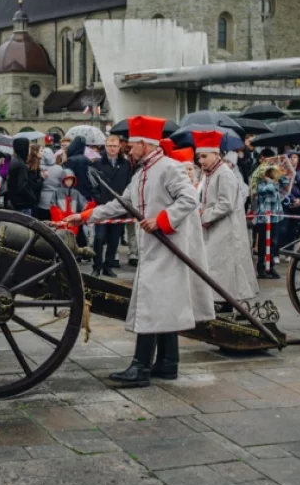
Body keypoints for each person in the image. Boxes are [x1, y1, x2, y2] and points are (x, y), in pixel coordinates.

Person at [66, 116, 215, 387]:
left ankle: (141, 367)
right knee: (163, 304)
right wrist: (85, 216)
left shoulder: (169, 168)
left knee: (150, 303)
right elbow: (122, 204)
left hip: (169, 246)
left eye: (132, 144)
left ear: (145, 144)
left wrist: (161, 220)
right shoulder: (142, 173)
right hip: (156, 247)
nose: (128, 149)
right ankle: (168, 363)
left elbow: (189, 199)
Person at [196, 131, 258, 310]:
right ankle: (218, 301)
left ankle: (225, 304)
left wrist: (204, 216)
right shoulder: (210, 173)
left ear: (216, 154)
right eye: (199, 157)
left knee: (223, 268)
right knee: (215, 266)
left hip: (226, 230)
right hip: (216, 228)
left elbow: (226, 204)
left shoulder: (224, 174)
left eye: (204, 157)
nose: (201, 161)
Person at [91, 135, 132, 274]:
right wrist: (98, 197)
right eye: (109, 146)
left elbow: (128, 184)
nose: (112, 148)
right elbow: (92, 183)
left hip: (119, 207)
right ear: (105, 146)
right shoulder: (97, 163)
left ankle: (108, 266)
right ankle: (96, 266)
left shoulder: (125, 165)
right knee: (99, 238)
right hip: (102, 205)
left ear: (119, 147)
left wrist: (125, 202)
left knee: (114, 240)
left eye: (114, 146)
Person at [50, 168, 96, 262]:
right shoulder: (56, 192)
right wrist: (60, 219)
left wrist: (91, 204)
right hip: (60, 222)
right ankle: (60, 256)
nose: (69, 182)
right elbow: (53, 206)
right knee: (60, 239)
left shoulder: (76, 193)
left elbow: (84, 205)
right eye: (67, 180)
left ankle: (71, 256)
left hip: (73, 222)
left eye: (71, 180)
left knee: (72, 240)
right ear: (63, 180)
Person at [253, 165, 288, 279]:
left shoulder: (276, 184)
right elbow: (267, 190)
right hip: (263, 219)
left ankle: (270, 266)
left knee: (273, 243)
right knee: (263, 244)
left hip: (275, 218)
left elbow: (286, 182)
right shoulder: (262, 185)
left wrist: (282, 172)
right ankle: (261, 267)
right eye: (274, 173)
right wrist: (270, 181)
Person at [6, 137, 38, 214]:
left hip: (14, 202)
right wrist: (32, 197)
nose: (30, 150)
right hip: (22, 204)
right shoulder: (21, 164)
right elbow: (22, 186)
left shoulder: (14, 161)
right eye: (28, 147)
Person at [62, 136, 93, 202]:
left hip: (74, 194)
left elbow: (67, 177)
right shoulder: (88, 160)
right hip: (86, 193)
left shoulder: (71, 160)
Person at [37, 147, 64, 222]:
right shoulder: (59, 169)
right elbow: (62, 185)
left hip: (41, 200)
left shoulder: (39, 168)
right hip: (55, 199)